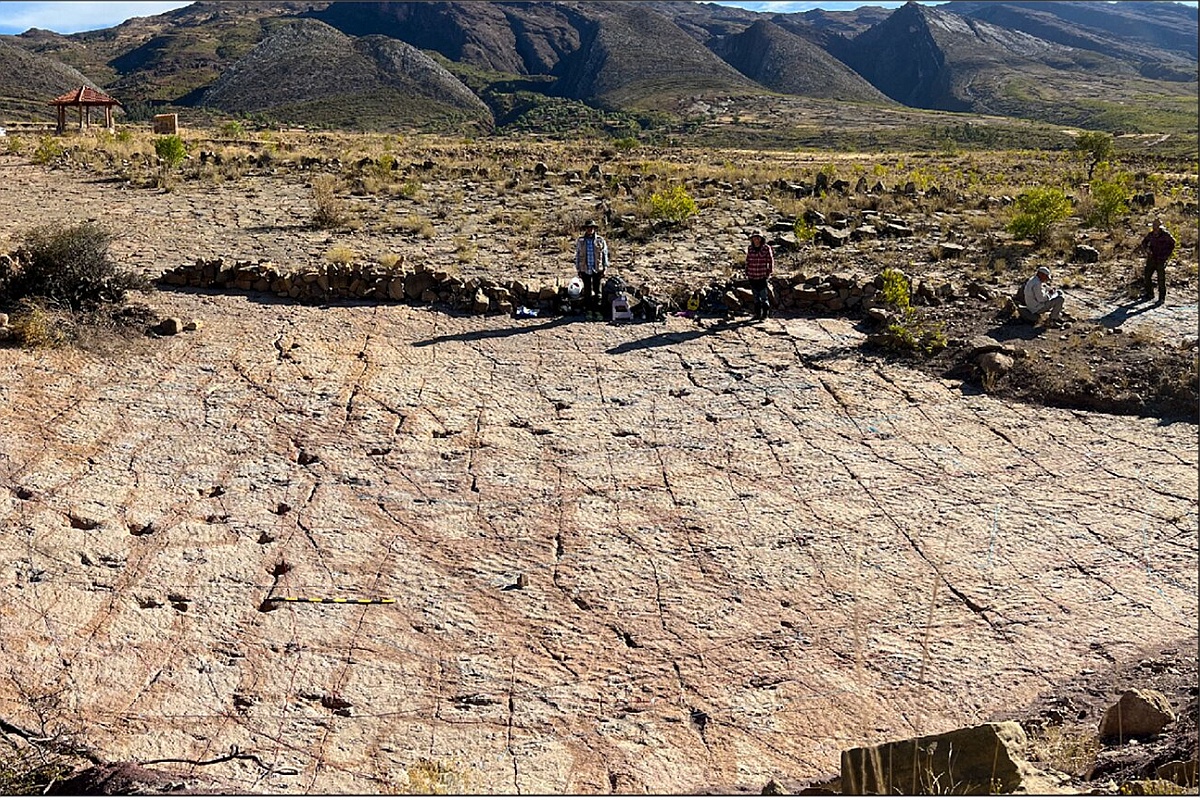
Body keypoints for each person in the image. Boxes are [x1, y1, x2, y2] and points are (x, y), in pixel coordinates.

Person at [574, 219, 608, 320]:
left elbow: (605, 254)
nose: (590, 230)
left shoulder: (600, 240)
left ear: (594, 229)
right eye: (588, 228)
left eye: (592, 228)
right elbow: (578, 255)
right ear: (586, 229)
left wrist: (605, 268)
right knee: (587, 291)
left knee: (598, 291)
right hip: (585, 269)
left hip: (597, 269)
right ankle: (589, 311)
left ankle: (597, 311)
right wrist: (578, 269)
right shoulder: (580, 241)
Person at [1135, 217, 1175, 304]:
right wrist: (1147, 249)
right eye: (1154, 226)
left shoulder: (1165, 235)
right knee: (1147, 276)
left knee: (1161, 279)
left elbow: (1172, 244)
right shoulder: (1151, 234)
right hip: (1151, 258)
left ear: (1160, 227)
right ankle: (1150, 294)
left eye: (1156, 226)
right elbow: (1144, 242)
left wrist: (1166, 255)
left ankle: (1161, 298)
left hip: (1161, 259)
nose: (1154, 228)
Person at [745, 231, 774, 320]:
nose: (756, 239)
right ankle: (757, 314)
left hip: (762, 275)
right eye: (754, 238)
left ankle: (764, 315)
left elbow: (770, 260)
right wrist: (746, 271)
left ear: (761, 239)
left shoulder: (766, 248)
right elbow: (748, 260)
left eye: (758, 237)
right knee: (756, 297)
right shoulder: (750, 248)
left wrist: (769, 272)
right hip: (752, 275)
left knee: (764, 297)